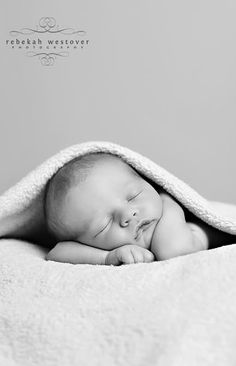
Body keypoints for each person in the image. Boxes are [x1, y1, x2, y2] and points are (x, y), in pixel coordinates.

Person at [44, 153, 235, 265]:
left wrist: (168, 202)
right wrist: (107, 257)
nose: (128, 214)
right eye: (104, 225)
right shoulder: (101, 249)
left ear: (151, 183)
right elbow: (56, 253)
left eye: (134, 196)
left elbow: (175, 250)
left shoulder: (169, 213)